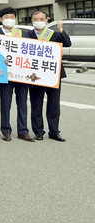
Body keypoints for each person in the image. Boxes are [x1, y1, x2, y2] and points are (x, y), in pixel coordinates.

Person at [0, 7, 34, 142]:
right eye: (6, 17)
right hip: (5, 74)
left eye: (12, 16)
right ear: (0, 19)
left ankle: (23, 131)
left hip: (22, 74)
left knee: (22, 103)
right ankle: (6, 131)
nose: (9, 19)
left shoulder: (24, 34)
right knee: (6, 103)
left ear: (15, 18)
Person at [28, 11, 71, 142]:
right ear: (32, 20)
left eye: (41, 19)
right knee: (36, 104)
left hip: (53, 74)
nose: (39, 21)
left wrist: (61, 29)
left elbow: (67, 43)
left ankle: (54, 131)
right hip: (35, 74)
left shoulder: (55, 34)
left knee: (54, 104)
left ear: (47, 20)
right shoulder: (27, 35)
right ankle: (38, 131)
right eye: (36, 19)